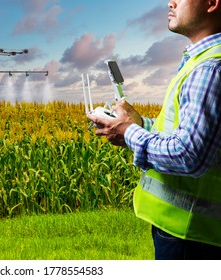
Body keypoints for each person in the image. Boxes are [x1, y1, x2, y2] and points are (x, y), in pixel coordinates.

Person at [88, 0, 221, 260]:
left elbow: (189, 154)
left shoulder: (209, 68)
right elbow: (191, 134)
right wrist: (140, 124)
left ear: (212, 3)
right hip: (186, 231)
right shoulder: (200, 60)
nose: (170, 2)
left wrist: (127, 133)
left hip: (190, 234)